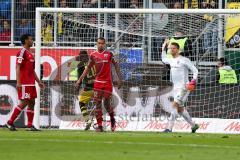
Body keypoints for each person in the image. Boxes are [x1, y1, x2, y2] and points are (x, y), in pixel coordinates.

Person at [75, 37, 123, 132]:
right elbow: (87, 69)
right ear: (97, 44)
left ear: (105, 44)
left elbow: (116, 65)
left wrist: (120, 79)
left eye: (102, 43)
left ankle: (112, 120)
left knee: (106, 103)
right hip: (97, 83)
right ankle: (100, 126)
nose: (101, 45)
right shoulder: (93, 55)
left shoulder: (109, 54)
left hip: (107, 83)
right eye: (99, 43)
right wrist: (79, 80)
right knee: (97, 104)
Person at [5, 34, 45, 131]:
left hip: (31, 83)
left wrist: (38, 81)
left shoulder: (31, 54)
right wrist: (18, 82)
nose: (32, 41)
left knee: (32, 102)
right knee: (24, 102)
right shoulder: (22, 52)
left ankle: (30, 125)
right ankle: (10, 122)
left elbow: (32, 70)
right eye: (31, 39)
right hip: (24, 83)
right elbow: (17, 66)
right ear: (26, 41)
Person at [161, 39, 199, 133]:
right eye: (170, 48)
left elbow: (195, 70)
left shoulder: (184, 60)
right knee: (180, 109)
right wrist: (163, 47)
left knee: (174, 105)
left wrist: (193, 81)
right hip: (175, 88)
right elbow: (163, 59)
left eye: (174, 48)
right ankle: (194, 125)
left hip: (184, 87)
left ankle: (169, 128)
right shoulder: (170, 60)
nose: (171, 50)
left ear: (178, 50)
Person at [69, 50, 96, 130]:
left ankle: (88, 120)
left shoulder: (80, 65)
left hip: (89, 87)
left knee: (81, 103)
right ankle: (100, 122)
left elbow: (80, 79)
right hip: (98, 86)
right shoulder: (94, 62)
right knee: (99, 104)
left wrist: (77, 89)